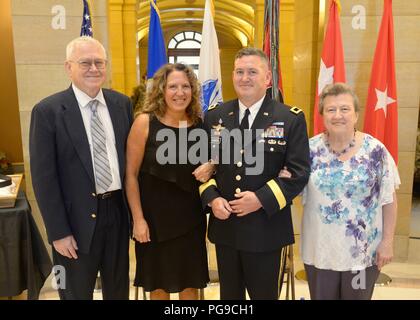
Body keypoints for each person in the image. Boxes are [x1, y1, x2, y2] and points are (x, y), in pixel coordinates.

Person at [199, 48, 311, 300]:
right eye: (239, 72)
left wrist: (261, 198)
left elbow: (298, 172)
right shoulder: (215, 116)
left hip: (266, 228)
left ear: (267, 78)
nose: (245, 78)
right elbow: (205, 167)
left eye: (252, 72)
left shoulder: (289, 118)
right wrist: (212, 199)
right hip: (226, 227)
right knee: (229, 298)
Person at [29, 36, 133, 300]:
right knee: (75, 293)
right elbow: (43, 178)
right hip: (73, 222)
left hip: (118, 215)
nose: (94, 69)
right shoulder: (47, 111)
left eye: (99, 62)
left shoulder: (122, 104)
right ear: (68, 67)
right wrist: (58, 232)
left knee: (118, 290)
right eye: (85, 62)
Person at [299, 83, 400, 300]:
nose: (338, 115)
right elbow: (289, 187)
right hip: (320, 253)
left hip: (361, 256)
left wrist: (387, 242)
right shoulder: (307, 150)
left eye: (345, 109)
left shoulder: (376, 151)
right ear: (322, 115)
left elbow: (389, 200)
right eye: (331, 109)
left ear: (355, 114)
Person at [125, 63, 213, 300]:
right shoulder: (144, 123)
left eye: (185, 86)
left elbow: (213, 164)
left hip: (190, 221)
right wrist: (138, 219)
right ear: (161, 90)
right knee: (158, 287)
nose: (180, 92)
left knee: (190, 286)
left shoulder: (199, 125)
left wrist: (212, 166)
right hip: (153, 223)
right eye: (173, 86)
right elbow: (130, 175)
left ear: (193, 91)